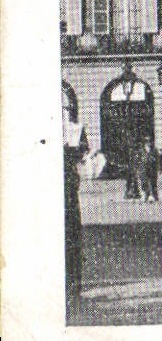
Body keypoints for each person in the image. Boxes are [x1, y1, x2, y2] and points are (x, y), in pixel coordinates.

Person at [62, 107, 89, 315]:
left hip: (68, 191)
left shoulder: (74, 130)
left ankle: (72, 285)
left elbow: (83, 150)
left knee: (71, 238)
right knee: (71, 238)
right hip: (67, 190)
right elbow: (83, 151)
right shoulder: (74, 131)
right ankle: (72, 285)